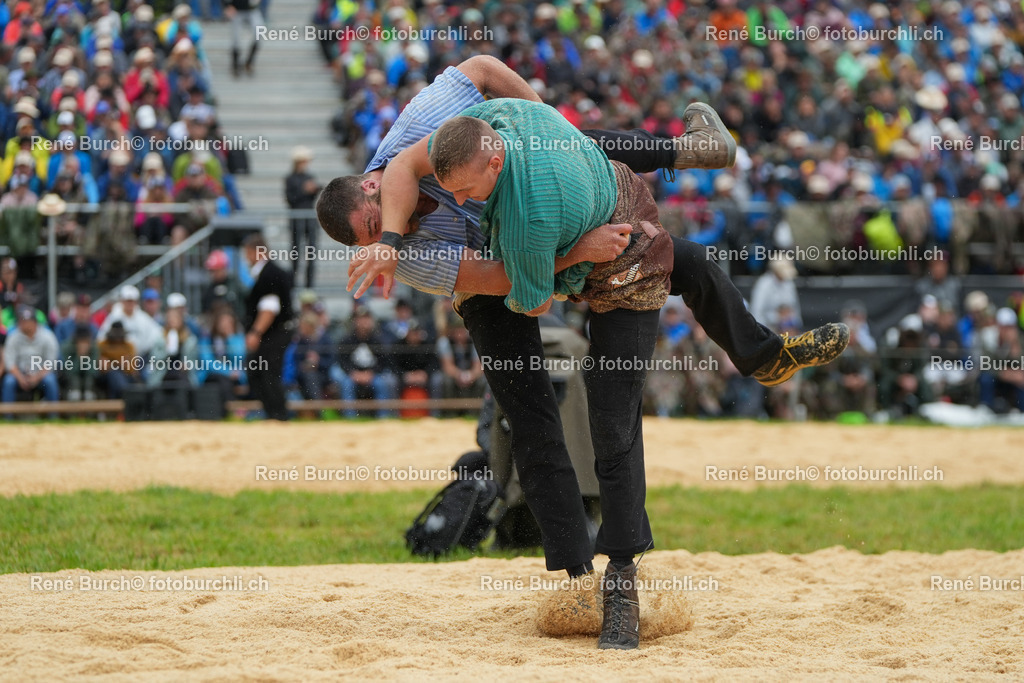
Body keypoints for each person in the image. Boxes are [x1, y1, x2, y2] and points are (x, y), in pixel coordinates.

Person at [315, 56, 848, 649]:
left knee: (663, 243)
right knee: (531, 417)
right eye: (375, 241)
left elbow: (485, 68)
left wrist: (541, 129)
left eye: (379, 227)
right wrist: (569, 255)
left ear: (373, 184)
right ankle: (576, 578)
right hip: (498, 280)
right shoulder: (407, 254)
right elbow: (505, 284)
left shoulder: (414, 140)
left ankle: (699, 182)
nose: (397, 237)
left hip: (548, 213)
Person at [242, 232, 293, 421]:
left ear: (256, 252)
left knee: (267, 373)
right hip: (274, 332)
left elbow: (269, 308)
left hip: (273, 333)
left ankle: (278, 415)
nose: (246, 258)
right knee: (261, 372)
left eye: (247, 253)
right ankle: (275, 414)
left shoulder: (269, 274)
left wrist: (255, 332)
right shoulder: (271, 272)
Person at [2, 306, 60, 405]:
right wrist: (20, 378)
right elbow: (9, 362)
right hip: (19, 375)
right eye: (21, 321)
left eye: (26, 321)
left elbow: (51, 362)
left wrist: (36, 377)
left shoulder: (47, 336)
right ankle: (8, 417)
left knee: (50, 380)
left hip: (41, 374)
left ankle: (53, 416)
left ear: (34, 322)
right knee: (9, 381)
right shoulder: (13, 336)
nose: (22, 324)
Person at [285, 146, 322, 288]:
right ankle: (293, 285)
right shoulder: (290, 179)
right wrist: (304, 190)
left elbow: (314, 196)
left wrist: (314, 189)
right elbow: (290, 199)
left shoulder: (309, 177)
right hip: (296, 219)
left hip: (309, 219)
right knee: (295, 253)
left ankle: (309, 286)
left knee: (311, 253)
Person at [225, 0, 261, 77]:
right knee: (236, 39)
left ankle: (249, 62)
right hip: (237, 10)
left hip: (252, 10)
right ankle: (235, 64)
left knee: (259, 31)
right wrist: (227, 5)